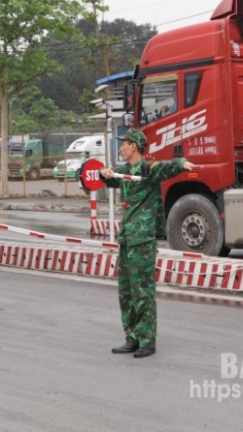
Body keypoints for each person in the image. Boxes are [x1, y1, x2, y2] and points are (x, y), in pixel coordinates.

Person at [100, 127, 200, 359]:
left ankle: (147, 340)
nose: (121, 148)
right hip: (127, 237)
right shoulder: (124, 171)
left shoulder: (148, 169)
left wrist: (182, 164)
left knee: (142, 291)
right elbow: (106, 177)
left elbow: (167, 167)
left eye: (123, 144)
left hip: (142, 239)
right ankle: (132, 338)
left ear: (133, 146)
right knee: (126, 291)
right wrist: (103, 174)